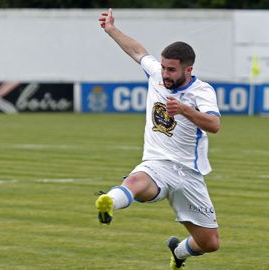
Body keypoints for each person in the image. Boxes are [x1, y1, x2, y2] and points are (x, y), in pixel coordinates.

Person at [95, 9, 221, 269]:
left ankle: (179, 252)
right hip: (157, 164)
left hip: (189, 174)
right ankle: (109, 201)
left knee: (210, 243)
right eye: (163, 67)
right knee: (137, 181)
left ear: (188, 69)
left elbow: (214, 125)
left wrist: (185, 110)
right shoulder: (156, 76)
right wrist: (111, 30)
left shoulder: (202, 90)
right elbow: (137, 51)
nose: (165, 74)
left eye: (172, 70)